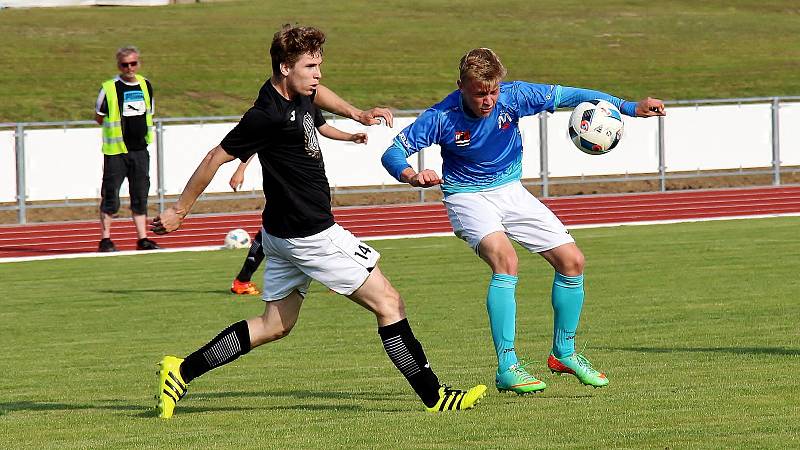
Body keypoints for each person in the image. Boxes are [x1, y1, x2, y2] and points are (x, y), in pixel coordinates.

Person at [151, 25, 486, 419]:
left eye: (319, 65)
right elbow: (214, 158)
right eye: (310, 66)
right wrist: (180, 212)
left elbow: (317, 101)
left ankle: (182, 371)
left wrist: (357, 115)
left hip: (281, 235)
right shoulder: (265, 115)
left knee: (274, 325)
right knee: (389, 302)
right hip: (311, 235)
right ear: (284, 67)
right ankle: (435, 395)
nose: (318, 75)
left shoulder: (296, 90)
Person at [381, 48, 665, 394]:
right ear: (461, 86)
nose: (488, 101)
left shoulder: (515, 96)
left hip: (511, 191)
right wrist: (411, 174)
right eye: (479, 93)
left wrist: (628, 107)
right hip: (466, 195)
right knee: (506, 260)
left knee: (572, 261)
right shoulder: (442, 115)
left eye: (493, 92)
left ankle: (564, 353)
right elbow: (393, 151)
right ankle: (508, 365)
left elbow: (570, 95)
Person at [95, 46, 161, 252]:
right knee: (111, 194)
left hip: (140, 150)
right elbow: (99, 116)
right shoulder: (109, 88)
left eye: (133, 63)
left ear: (138, 63)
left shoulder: (145, 85)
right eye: (125, 65)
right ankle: (106, 239)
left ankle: (143, 239)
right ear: (119, 66)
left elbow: (150, 112)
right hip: (116, 151)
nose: (129, 68)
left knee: (140, 194)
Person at [227, 155, 266, 295]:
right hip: (286, 184)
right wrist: (240, 170)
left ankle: (242, 280)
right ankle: (242, 281)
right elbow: (255, 143)